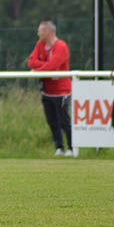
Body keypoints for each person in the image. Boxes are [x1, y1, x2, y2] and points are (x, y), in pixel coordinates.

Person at [27, 21, 73, 156]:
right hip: (47, 91)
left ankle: (71, 148)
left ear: (47, 32)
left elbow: (54, 66)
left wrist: (37, 71)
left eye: (40, 31)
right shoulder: (40, 45)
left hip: (61, 91)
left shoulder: (61, 46)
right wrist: (45, 65)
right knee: (52, 121)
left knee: (64, 121)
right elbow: (31, 61)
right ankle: (59, 148)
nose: (38, 33)